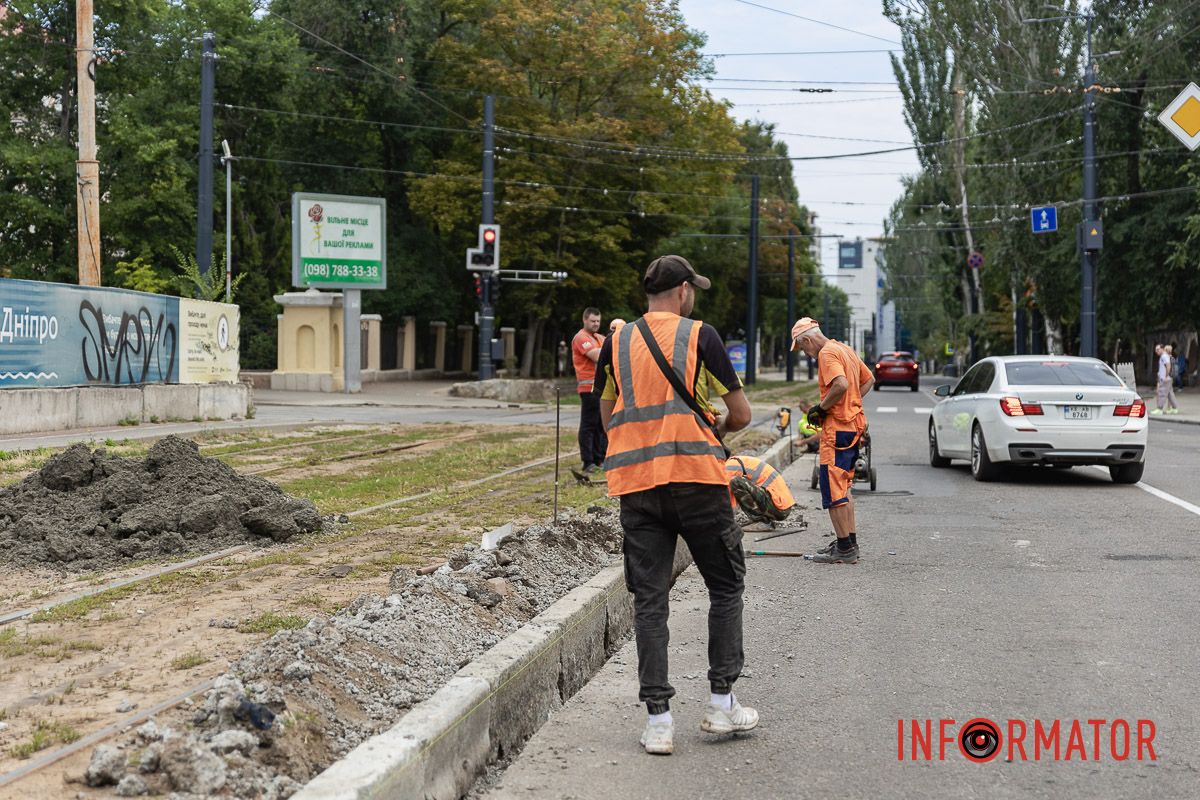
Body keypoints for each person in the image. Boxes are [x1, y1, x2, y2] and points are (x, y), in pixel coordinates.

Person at [595, 254, 756, 756]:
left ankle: (659, 722)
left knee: (650, 601)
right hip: (697, 482)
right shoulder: (699, 335)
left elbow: (607, 415)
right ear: (684, 291)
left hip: (638, 485)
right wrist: (714, 430)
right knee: (725, 586)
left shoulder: (616, 343)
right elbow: (742, 413)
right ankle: (721, 703)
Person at [790, 317, 874, 564]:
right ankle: (847, 542)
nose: (806, 353)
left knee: (833, 490)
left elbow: (841, 384)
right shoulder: (844, 349)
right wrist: (852, 403)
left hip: (837, 431)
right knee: (845, 487)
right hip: (852, 427)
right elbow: (868, 380)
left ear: (806, 339)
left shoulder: (827, 354)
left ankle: (845, 550)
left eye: (802, 348)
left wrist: (821, 408)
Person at [571, 308, 607, 479]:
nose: (596, 324)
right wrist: (611, 350)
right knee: (589, 425)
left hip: (600, 387)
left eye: (598, 321)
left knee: (601, 425)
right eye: (593, 321)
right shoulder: (581, 338)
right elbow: (597, 355)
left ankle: (599, 459)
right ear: (584, 320)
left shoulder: (599, 338)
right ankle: (588, 462)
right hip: (588, 388)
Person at [725, 455, 795, 525]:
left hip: (779, 508)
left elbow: (730, 507)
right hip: (782, 506)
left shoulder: (728, 470)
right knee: (738, 483)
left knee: (736, 482)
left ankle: (761, 521)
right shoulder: (733, 462)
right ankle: (762, 519)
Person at [1153, 343, 1179, 415]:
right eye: (1156, 350)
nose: (1156, 351)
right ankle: (1174, 408)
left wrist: (1166, 376)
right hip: (1168, 378)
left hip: (1165, 378)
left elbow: (1168, 366)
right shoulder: (1165, 356)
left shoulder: (1164, 356)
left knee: (1162, 393)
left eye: (1158, 349)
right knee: (1170, 394)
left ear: (1162, 349)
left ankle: (1159, 409)